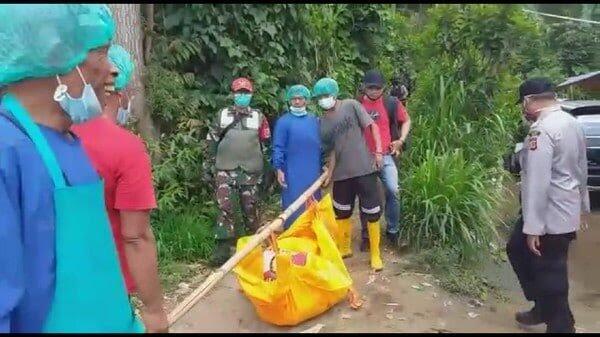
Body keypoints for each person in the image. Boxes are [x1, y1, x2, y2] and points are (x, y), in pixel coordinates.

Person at [0, 4, 143, 333]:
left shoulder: (67, 142)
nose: (110, 69)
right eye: (100, 53)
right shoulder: (8, 150)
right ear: (55, 55)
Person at [71, 44, 168, 333]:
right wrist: (154, 312)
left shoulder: (50, 138)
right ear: (122, 94)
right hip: (107, 291)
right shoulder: (126, 148)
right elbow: (136, 237)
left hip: (54, 289)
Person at [506, 78, 590, 333]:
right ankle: (543, 307)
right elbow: (581, 167)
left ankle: (561, 325)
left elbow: (537, 182)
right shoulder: (570, 122)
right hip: (563, 207)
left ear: (529, 101)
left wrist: (533, 227)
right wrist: (582, 204)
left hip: (549, 214)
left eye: (523, 103)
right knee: (517, 249)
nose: (523, 109)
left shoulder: (541, 130)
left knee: (550, 271)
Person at [314, 77, 385, 271]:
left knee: (372, 212)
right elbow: (331, 152)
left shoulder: (351, 105)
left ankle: (375, 255)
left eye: (326, 95)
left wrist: (378, 151)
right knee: (342, 212)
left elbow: (372, 126)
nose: (323, 99)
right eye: (319, 97)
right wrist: (329, 172)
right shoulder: (322, 123)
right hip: (341, 174)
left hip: (364, 168)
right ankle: (344, 248)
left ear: (334, 93)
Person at [205, 77, 271, 266]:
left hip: (250, 170)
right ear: (233, 94)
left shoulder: (259, 117)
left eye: (246, 93)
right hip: (225, 168)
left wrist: (267, 170)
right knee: (224, 207)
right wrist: (208, 166)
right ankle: (223, 249)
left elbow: (265, 143)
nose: (242, 96)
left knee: (251, 207)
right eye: (239, 92)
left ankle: (253, 245)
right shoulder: (222, 115)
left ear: (251, 94)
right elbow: (211, 140)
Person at [358, 70, 411, 251]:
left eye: (377, 88)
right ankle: (366, 235)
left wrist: (400, 140)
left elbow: (406, 121)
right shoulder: (356, 104)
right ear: (364, 87)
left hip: (387, 155)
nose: (374, 91)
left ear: (383, 88)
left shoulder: (391, 103)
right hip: (364, 157)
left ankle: (393, 231)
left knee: (393, 190)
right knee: (366, 195)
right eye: (370, 87)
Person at [272, 84, 322, 230]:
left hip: (312, 171)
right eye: (294, 99)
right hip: (292, 171)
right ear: (289, 101)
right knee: (293, 204)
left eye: (300, 99)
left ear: (306, 100)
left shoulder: (314, 120)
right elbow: (278, 147)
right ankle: (292, 234)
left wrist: (324, 165)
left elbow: (321, 146)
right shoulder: (283, 122)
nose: (297, 102)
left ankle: (314, 233)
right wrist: (279, 169)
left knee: (313, 202)